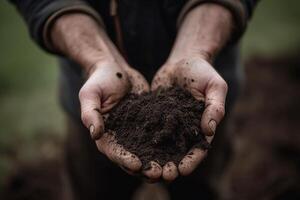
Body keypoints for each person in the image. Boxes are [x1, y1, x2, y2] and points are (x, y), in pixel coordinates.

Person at [10, 0, 258, 199]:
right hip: (101, 102)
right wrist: (97, 59)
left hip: (201, 97)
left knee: (203, 191)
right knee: (92, 189)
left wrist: (197, 49)